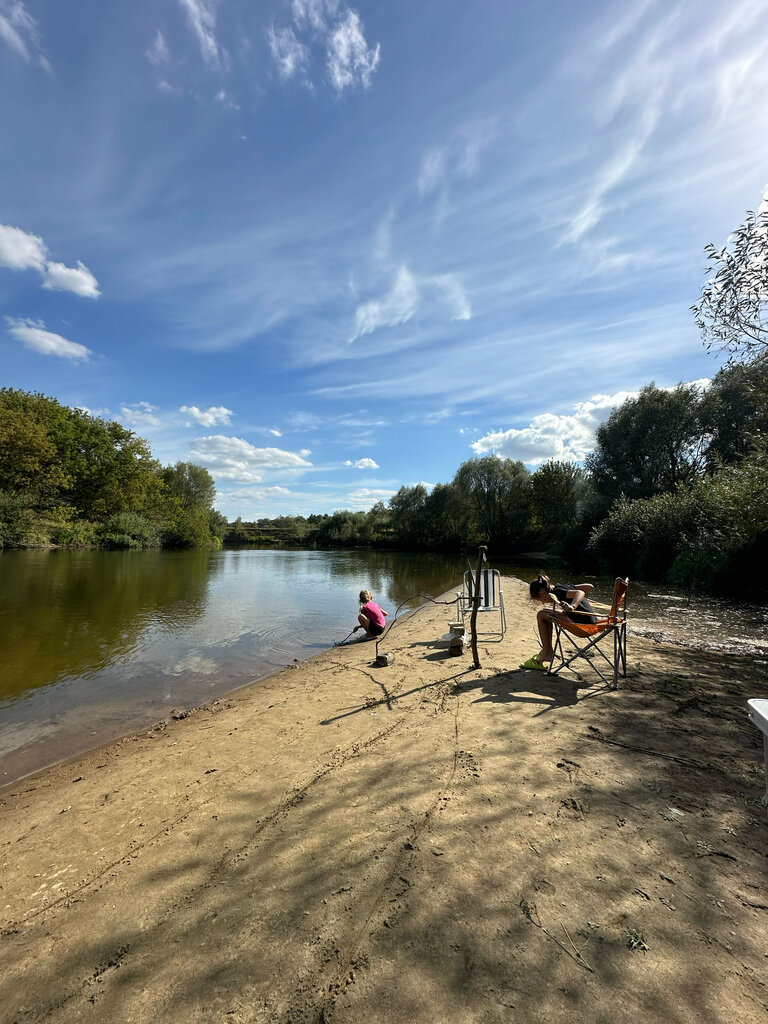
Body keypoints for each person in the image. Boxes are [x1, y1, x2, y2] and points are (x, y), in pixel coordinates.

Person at [520, 574, 598, 671]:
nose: (542, 602)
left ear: (542, 592)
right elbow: (589, 587)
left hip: (583, 623)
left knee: (541, 614)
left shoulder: (558, 592)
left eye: (540, 600)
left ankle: (546, 652)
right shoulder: (560, 587)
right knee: (545, 613)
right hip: (591, 620)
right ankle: (548, 651)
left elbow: (581, 592)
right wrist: (570, 594)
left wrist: (572, 606)